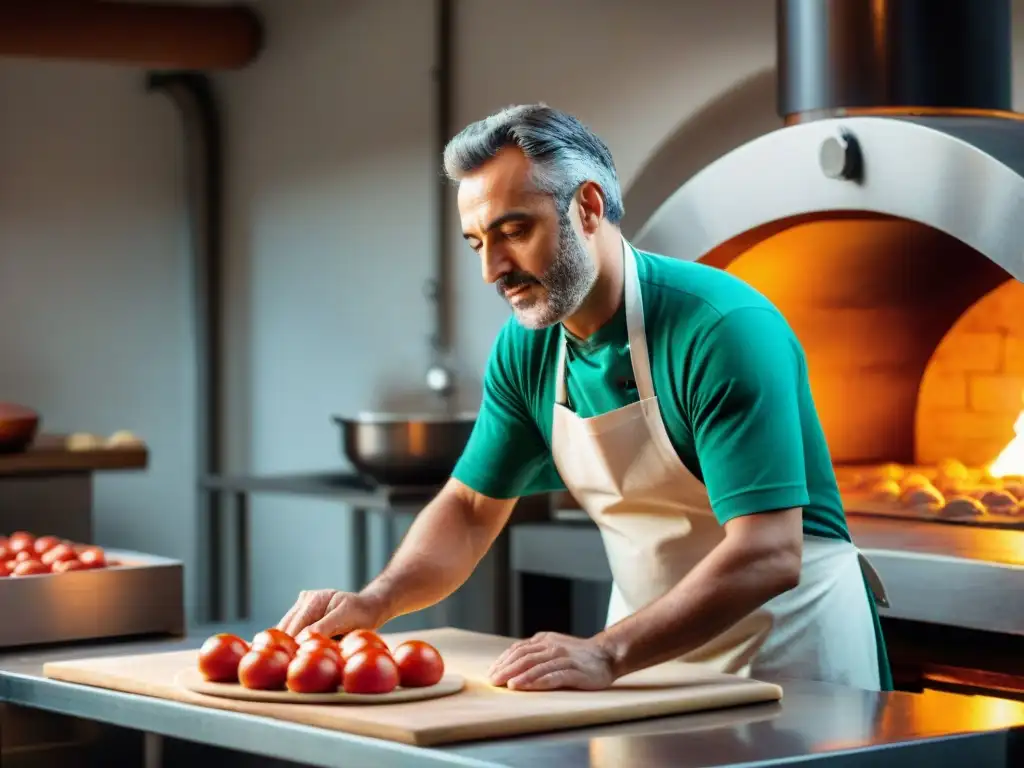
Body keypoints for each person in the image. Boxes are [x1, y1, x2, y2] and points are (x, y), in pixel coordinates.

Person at [277, 104, 893, 693]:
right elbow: (468, 509)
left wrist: (605, 651)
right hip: (641, 659)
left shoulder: (721, 329)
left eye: (513, 231)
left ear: (589, 206)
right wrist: (377, 600)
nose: (494, 269)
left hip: (787, 658)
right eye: (476, 243)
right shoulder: (528, 350)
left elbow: (768, 553)